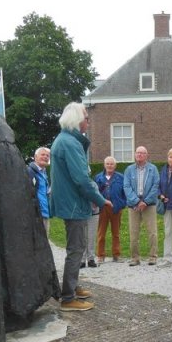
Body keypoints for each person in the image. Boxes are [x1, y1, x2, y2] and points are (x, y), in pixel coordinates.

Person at [50, 102, 112, 312]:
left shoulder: (65, 140)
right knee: (76, 250)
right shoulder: (69, 143)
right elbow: (81, 179)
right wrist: (101, 199)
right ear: (77, 120)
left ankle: (73, 287)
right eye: (86, 118)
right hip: (74, 205)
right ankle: (68, 297)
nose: (88, 121)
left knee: (76, 248)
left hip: (71, 203)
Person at [123, 146, 160, 266]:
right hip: (133, 205)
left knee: (152, 232)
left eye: (142, 153)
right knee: (133, 233)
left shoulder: (153, 169)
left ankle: (153, 257)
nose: (139, 155)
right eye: (137, 153)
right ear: (135, 155)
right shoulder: (129, 169)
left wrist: (146, 201)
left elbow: (156, 186)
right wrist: (137, 201)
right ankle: (135, 258)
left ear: (146, 155)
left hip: (149, 205)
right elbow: (126, 187)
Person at [95, 156, 126, 263]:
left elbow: (125, 192)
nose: (109, 166)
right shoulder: (98, 178)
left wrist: (122, 203)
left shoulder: (121, 177)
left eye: (111, 164)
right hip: (103, 208)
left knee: (116, 233)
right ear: (104, 165)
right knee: (101, 233)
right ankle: (100, 255)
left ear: (115, 165)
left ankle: (116, 255)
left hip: (116, 208)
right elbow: (95, 193)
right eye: (107, 164)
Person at [27, 147, 51, 236]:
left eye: (47, 156)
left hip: (45, 213)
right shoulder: (30, 172)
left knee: (45, 244)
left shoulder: (44, 173)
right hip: (36, 214)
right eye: (43, 154)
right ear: (35, 157)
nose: (45, 157)